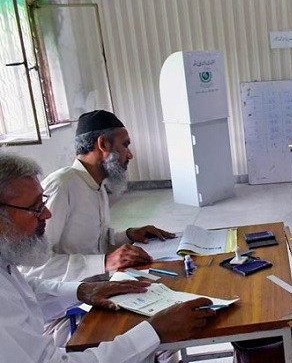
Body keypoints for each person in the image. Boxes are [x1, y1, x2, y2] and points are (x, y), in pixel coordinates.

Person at [0, 151, 215, 362]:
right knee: (152, 341)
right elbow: (39, 265)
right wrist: (154, 332)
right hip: (61, 323)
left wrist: (82, 290)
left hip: (79, 296)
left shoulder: (96, 186)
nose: (46, 214)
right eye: (35, 208)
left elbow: (27, 291)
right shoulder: (63, 185)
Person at [20, 110, 176, 344]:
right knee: (155, 334)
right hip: (65, 312)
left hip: (97, 294)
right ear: (103, 144)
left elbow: (95, 242)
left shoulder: (96, 186)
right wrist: (104, 262)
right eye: (125, 145)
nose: (130, 154)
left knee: (166, 314)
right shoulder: (63, 186)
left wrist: (129, 235)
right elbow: (34, 266)